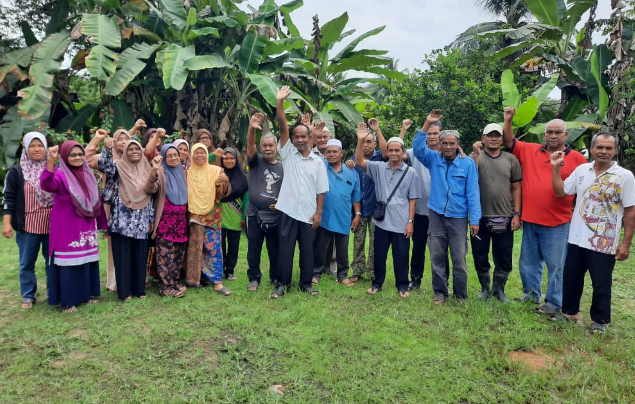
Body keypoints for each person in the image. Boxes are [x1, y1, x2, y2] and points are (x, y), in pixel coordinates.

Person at [503, 107, 587, 315]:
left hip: (558, 222)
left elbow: (585, 188)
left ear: (566, 135)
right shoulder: (531, 150)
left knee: (556, 266)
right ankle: (530, 294)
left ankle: (553, 302)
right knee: (528, 263)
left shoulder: (577, 159)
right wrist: (508, 120)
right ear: (544, 135)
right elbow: (509, 142)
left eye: (558, 132)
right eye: (549, 132)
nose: (553, 135)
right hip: (531, 219)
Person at [550, 133, 635, 334]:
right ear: (592, 148)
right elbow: (561, 191)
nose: (603, 151)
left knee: (601, 282)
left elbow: (630, 211)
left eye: (608, 148)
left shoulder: (624, 176)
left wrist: (626, 243)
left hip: (604, 241)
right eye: (599, 147)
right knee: (571, 277)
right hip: (577, 237)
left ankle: (600, 320)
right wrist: (555, 167)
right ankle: (570, 313)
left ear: (615, 150)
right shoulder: (582, 170)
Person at [413, 109, 481, 304]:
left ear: (458, 145)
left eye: (452, 143)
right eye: (445, 143)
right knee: (437, 255)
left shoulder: (467, 164)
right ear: (440, 146)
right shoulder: (434, 159)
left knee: (459, 258)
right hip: (435, 215)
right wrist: (427, 123)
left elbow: (473, 193)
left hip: (458, 217)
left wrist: (474, 219)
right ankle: (440, 292)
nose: (449, 147)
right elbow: (417, 148)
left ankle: (460, 294)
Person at [272, 86, 329, 298]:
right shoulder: (287, 154)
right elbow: (282, 126)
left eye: (303, 136)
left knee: (307, 251)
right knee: (285, 251)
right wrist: (280, 102)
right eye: (296, 137)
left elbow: (321, 190)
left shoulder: (318, 162)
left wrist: (318, 213)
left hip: (308, 214)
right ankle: (282, 284)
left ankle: (306, 284)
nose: (299, 140)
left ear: (309, 137)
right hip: (287, 211)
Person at [354, 124, 421, 297]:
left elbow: (412, 199)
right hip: (381, 221)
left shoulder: (410, 172)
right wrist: (361, 141)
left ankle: (402, 286)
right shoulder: (378, 168)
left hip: (401, 222)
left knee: (401, 256)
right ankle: (377, 284)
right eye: (390, 150)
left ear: (402, 152)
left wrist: (410, 222)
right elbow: (359, 161)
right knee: (379, 255)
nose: (393, 153)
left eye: (397, 150)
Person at [41, 141, 107, 312]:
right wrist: (50, 162)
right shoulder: (60, 174)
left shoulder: (88, 174)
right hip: (66, 226)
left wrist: (102, 224)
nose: (77, 158)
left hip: (86, 223)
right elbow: (47, 185)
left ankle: (88, 295)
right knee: (69, 262)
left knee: (87, 258)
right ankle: (68, 301)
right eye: (73, 155)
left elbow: (96, 201)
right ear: (65, 157)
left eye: (80, 154)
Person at [99, 138, 160, 301]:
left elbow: (151, 192)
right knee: (123, 257)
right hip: (122, 221)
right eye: (130, 149)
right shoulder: (117, 166)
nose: (134, 152)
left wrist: (151, 219)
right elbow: (104, 167)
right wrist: (106, 150)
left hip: (141, 220)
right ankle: (125, 292)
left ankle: (139, 290)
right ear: (125, 152)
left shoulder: (147, 167)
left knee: (140, 257)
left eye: (137, 150)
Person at [470, 123, 522, 302]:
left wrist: (517, 214)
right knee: (480, 254)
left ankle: (499, 289)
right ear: (482, 139)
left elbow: (516, 187)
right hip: (479, 218)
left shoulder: (510, 159)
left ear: (502, 139)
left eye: (497, 136)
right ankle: (484, 288)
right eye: (489, 135)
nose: (493, 139)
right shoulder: (473, 157)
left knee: (504, 256)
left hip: (504, 217)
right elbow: (470, 181)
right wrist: (476, 156)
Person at [2, 132, 54, 309]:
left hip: (52, 224)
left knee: (52, 261)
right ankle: (28, 295)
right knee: (26, 263)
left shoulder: (54, 168)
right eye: (32, 146)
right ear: (25, 148)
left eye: (40, 145)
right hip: (28, 226)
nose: (37, 149)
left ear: (46, 147)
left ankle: (53, 292)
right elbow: (8, 198)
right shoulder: (17, 171)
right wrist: (7, 222)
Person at [312, 139, 362, 286]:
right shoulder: (320, 166)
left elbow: (356, 196)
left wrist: (357, 214)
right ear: (325, 153)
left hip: (343, 216)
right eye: (329, 152)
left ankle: (342, 275)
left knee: (342, 248)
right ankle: (315, 273)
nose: (332, 154)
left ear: (341, 153)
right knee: (320, 247)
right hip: (323, 215)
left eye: (335, 151)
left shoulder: (351, 172)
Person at [185, 143, 232, 295]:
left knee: (213, 248)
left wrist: (225, 181)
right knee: (196, 248)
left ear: (207, 154)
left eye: (202, 153)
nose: (199, 155)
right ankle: (196, 278)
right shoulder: (187, 173)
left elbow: (223, 193)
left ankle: (217, 281)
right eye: (196, 153)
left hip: (213, 215)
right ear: (192, 155)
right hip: (194, 215)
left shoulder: (216, 171)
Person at [245, 113, 284, 291]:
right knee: (254, 248)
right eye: (265, 145)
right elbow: (250, 144)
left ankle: (275, 277)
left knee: (275, 249)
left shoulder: (283, 166)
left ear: (276, 147)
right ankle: (254, 277)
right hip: (254, 214)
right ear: (261, 147)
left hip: (275, 215)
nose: (268, 148)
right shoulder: (255, 162)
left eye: (271, 145)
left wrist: (281, 203)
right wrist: (252, 128)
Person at [345, 127, 385, 282]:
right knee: (358, 241)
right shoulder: (353, 159)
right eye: (363, 142)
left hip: (376, 208)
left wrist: (378, 130)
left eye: (369, 142)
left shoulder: (380, 158)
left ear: (374, 144)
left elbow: (388, 152)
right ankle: (357, 270)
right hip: (358, 208)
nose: (366, 145)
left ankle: (373, 271)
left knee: (376, 242)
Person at [151, 144, 189, 298]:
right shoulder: (161, 172)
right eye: (169, 155)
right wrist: (153, 170)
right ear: (164, 157)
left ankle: (173, 283)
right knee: (165, 255)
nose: (173, 158)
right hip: (165, 222)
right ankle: (165, 287)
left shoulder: (182, 172)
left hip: (181, 222)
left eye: (176, 155)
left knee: (178, 255)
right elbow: (150, 188)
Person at [220, 147, 248, 281]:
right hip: (219, 214)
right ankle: (220, 269)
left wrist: (243, 216)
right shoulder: (217, 173)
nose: (229, 160)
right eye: (226, 158)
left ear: (236, 159)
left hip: (235, 215)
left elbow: (246, 198)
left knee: (233, 245)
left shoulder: (242, 176)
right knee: (219, 244)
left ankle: (230, 270)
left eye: (232, 158)